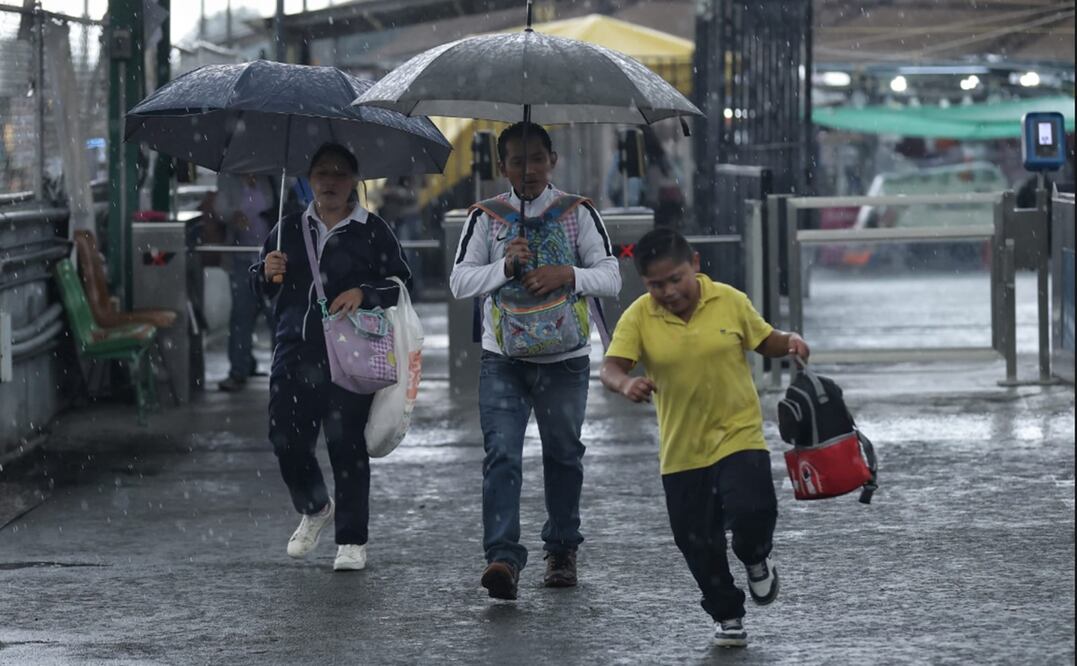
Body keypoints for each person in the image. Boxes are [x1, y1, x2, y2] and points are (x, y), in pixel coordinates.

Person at [599, 228, 810, 648]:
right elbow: (611, 367)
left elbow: (763, 339)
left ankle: (754, 557)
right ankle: (727, 613)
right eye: (656, 285)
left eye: (675, 279)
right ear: (644, 283)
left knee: (752, 511)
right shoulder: (640, 315)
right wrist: (625, 385)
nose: (669, 291)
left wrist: (789, 342)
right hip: (682, 451)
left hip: (739, 434)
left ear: (694, 264)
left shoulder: (729, 300)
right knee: (696, 541)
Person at [449, 122, 621, 600]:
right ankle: (502, 557)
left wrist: (568, 273)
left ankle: (562, 548)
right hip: (502, 359)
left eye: (537, 159)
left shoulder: (578, 212)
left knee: (563, 455)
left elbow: (610, 276)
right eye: (517, 161)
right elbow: (460, 282)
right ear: (502, 166)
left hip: (565, 359)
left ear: (553, 160)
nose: (528, 170)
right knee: (501, 454)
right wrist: (504, 265)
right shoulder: (486, 217)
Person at [256, 143, 412, 572]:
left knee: (346, 446)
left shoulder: (372, 230)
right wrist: (265, 272)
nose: (330, 181)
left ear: (355, 181)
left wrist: (364, 292)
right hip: (295, 350)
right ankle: (315, 505)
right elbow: (262, 287)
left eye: (340, 173)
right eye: (322, 172)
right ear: (308, 176)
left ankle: (351, 540)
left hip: (352, 354)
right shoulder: (287, 229)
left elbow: (400, 281)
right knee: (285, 439)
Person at [215, 172, 278, 392]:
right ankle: (238, 370)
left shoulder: (271, 177)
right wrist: (232, 216)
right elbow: (220, 209)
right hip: (242, 257)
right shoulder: (228, 179)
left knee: (277, 318)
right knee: (241, 315)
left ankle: (281, 371)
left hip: (273, 259)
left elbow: (280, 205)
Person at [379, 175, 425, 298]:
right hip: (395, 218)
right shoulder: (393, 175)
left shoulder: (413, 171)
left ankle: (412, 290)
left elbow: (414, 194)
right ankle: (406, 289)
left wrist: (397, 192)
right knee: (401, 254)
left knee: (409, 255)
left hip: (407, 217)